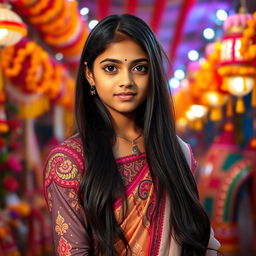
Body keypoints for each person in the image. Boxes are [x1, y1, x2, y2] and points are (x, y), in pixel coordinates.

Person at [43, 14, 221, 256]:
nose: (126, 81)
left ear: (153, 74)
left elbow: (201, 241)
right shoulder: (69, 162)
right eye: (111, 68)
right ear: (89, 75)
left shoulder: (178, 153)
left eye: (139, 68)